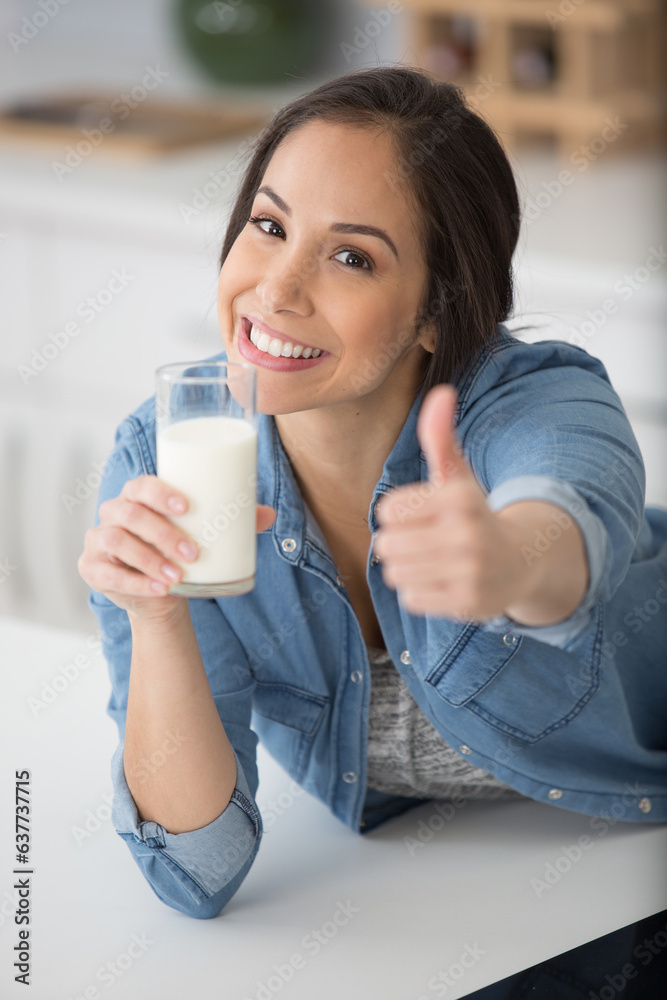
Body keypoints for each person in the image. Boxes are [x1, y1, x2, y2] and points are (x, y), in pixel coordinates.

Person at [79, 66, 667, 920]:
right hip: (459, 897)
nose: (276, 290)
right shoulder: (167, 456)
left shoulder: (535, 399)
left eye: (351, 256)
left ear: (436, 309)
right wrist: (158, 616)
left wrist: (508, 564)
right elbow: (198, 872)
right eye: (268, 225)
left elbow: (572, 509)